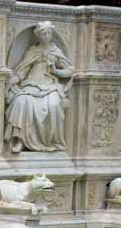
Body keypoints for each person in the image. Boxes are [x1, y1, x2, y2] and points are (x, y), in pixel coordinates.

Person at [4, 20, 72, 153]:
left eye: (48, 33)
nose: (46, 36)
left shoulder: (55, 51)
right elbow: (21, 72)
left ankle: (50, 141)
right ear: (38, 36)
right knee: (20, 102)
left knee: (54, 104)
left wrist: (56, 71)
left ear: (51, 34)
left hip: (50, 86)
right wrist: (9, 84)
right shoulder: (32, 51)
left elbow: (70, 70)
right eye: (43, 34)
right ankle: (19, 139)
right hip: (31, 84)